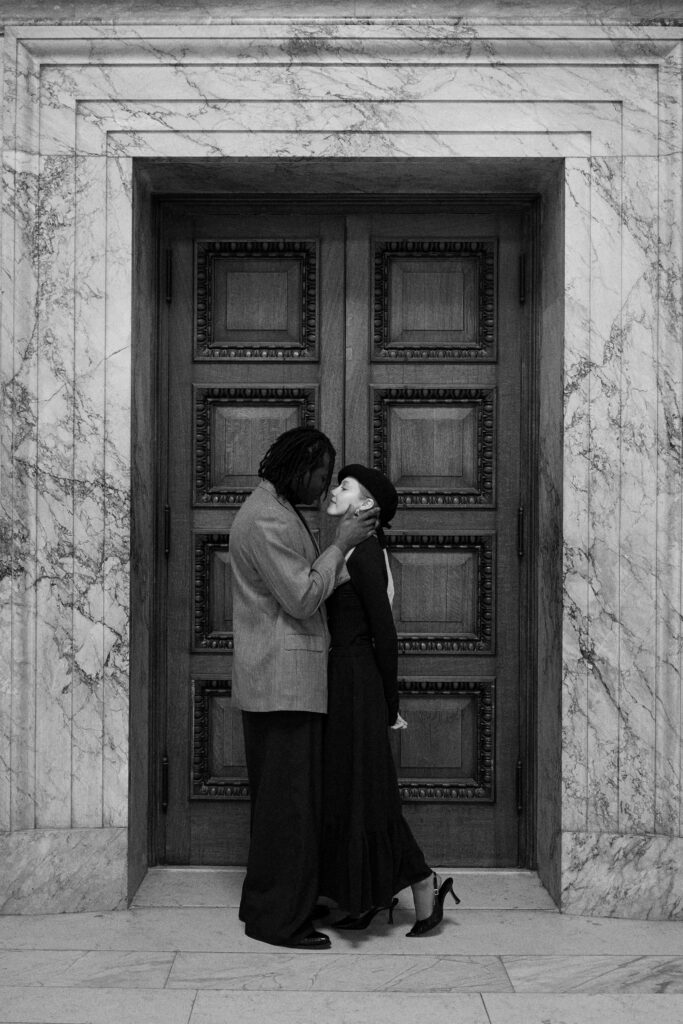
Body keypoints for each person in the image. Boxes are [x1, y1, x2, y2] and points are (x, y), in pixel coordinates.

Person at [229, 427, 378, 950]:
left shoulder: (278, 508)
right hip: (281, 683)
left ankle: (271, 903)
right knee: (288, 810)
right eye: (320, 475)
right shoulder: (266, 518)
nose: (324, 486)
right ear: (299, 469)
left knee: (284, 806)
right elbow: (300, 597)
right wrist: (341, 544)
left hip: (285, 682)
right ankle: (279, 922)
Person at [319, 464, 461, 936]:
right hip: (345, 678)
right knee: (354, 791)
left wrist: (390, 701)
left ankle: (422, 882)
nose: (333, 490)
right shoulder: (352, 548)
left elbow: (385, 632)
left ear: (365, 505)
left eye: (344, 486)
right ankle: (366, 895)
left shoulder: (363, 554)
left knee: (368, 791)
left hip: (357, 681)